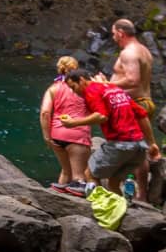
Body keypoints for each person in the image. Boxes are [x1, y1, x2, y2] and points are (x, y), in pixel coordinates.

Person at [60, 66, 151, 198]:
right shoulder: (114, 89)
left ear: (81, 80)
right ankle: (121, 208)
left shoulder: (91, 91)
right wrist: (152, 143)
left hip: (120, 143)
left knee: (90, 174)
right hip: (139, 146)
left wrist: (72, 123)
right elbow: (142, 114)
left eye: (73, 87)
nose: (75, 92)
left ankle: (100, 208)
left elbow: (102, 116)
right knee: (114, 183)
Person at [41, 55, 93, 188]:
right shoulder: (84, 87)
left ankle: (56, 200)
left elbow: (45, 113)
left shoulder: (53, 88)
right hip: (77, 136)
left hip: (57, 135)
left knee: (66, 172)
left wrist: (47, 137)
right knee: (79, 176)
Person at [110, 19, 160, 154]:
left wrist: (106, 84)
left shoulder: (129, 52)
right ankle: (138, 174)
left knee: (129, 150)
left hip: (135, 105)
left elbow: (133, 81)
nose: (113, 38)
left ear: (121, 33)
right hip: (144, 103)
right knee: (139, 150)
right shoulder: (144, 50)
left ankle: (129, 175)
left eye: (114, 34)